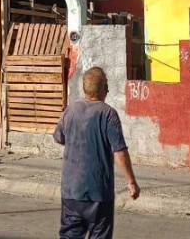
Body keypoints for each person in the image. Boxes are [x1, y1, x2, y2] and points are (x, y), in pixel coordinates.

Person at [53, 66, 140, 239]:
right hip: (98, 193)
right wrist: (131, 182)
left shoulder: (70, 110)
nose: (108, 89)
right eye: (106, 86)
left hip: (71, 191)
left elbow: (58, 138)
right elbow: (120, 152)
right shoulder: (108, 114)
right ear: (103, 90)